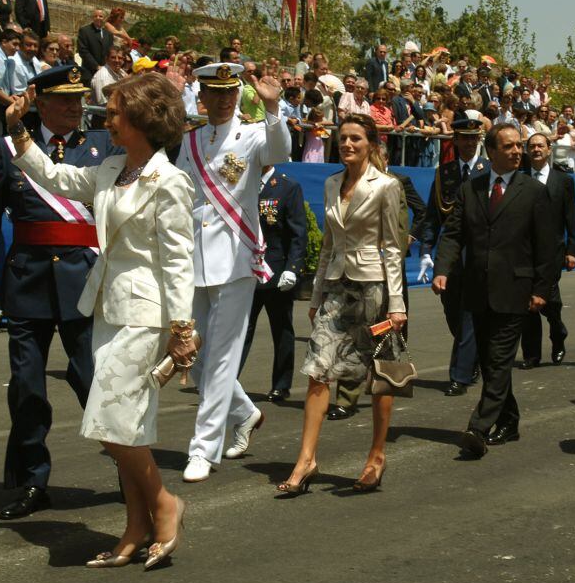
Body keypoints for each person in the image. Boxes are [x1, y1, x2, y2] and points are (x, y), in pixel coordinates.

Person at [4, 69, 194, 569]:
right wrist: (19, 131)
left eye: (114, 111)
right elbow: (56, 177)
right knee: (123, 426)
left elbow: (178, 261)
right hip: (108, 309)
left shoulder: (170, 181)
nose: (105, 118)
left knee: (109, 419)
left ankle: (164, 504)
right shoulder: (111, 169)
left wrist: (182, 329)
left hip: (148, 315)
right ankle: (134, 528)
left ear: (142, 118)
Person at [0, 65, 119, 520]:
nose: (75, 106)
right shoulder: (10, 148)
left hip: (84, 282)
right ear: (39, 101)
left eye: (79, 98)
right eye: (65, 99)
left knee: (95, 383)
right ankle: (32, 481)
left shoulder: (103, 145)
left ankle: (131, 469)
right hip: (27, 281)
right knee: (27, 390)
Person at [277, 114, 408, 494]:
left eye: (355, 138)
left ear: (371, 144)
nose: (347, 144)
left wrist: (397, 304)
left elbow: (391, 248)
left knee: (381, 374)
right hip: (336, 286)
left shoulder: (386, 186)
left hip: (375, 288)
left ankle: (376, 457)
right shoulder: (332, 183)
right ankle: (306, 460)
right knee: (318, 370)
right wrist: (316, 295)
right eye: (343, 138)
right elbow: (330, 245)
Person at [175, 62, 290, 482]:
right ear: (201, 96)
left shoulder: (255, 134)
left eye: (230, 92)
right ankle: (245, 412)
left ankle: (203, 449)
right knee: (200, 357)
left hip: (235, 258)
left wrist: (273, 106)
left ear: (240, 94)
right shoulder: (189, 141)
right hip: (194, 260)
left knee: (222, 358)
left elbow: (280, 151)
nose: (223, 100)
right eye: (215, 92)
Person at [434, 123, 557, 458]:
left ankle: (478, 427)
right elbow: (453, 233)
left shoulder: (532, 191)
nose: (518, 151)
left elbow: (547, 246)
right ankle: (510, 419)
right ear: (490, 152)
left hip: (516, 290)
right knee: (489, 361)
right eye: (509, 147)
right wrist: (442, 269)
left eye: (519, 145)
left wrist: (541, 288)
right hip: (476, 289)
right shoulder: (470, 189)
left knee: (500, 359)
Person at [329, 153, 426, 420]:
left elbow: (415, 215)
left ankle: (387, 384)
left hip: (389, 269)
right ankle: (346, 399)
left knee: (386, 329)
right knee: (353, 331)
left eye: (378, 156)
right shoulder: (345, 184)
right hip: (359, 270)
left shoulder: (397, 182)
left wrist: (408, 238)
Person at [418, 117, 488, 396]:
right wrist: (425, 249)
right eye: (464, 138)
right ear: (455, 140)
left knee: (470, 313)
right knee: (452, 312)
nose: (469, 143)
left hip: (480, 254)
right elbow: (433, 216)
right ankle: (473, 356)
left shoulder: (489, 170)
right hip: (450, 255)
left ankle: (459, 374)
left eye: (474, 138)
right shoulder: (443, 173)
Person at [238, 167, 307, 402]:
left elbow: (298, 232)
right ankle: (227, 381)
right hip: (246, 271)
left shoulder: (288, 187)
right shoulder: (242, 183)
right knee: (239, 331)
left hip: (276, 272)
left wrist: (293, 268)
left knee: (282, 330)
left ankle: (281, 384)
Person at [519, 132, 575, 368]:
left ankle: (558, 334)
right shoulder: (519, 178)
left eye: (540, 146)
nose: (536, 150)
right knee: (527, 304)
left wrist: (572, 249)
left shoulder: (563, 181)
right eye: (532, 146)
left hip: (553, 252)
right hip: (525, 253)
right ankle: (532, 354)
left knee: (550, 301)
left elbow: (570, 217)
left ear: (549, 149)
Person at [77, 8, 112, 85]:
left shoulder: (108, 34)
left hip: (105, 73)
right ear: (92, 18)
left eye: (100, 16)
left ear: (105, 18)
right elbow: (83, 51)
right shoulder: (84, 31)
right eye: (95, 16)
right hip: (89, 73)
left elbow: (110, 52)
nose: (98, 18)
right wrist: (96, 66)